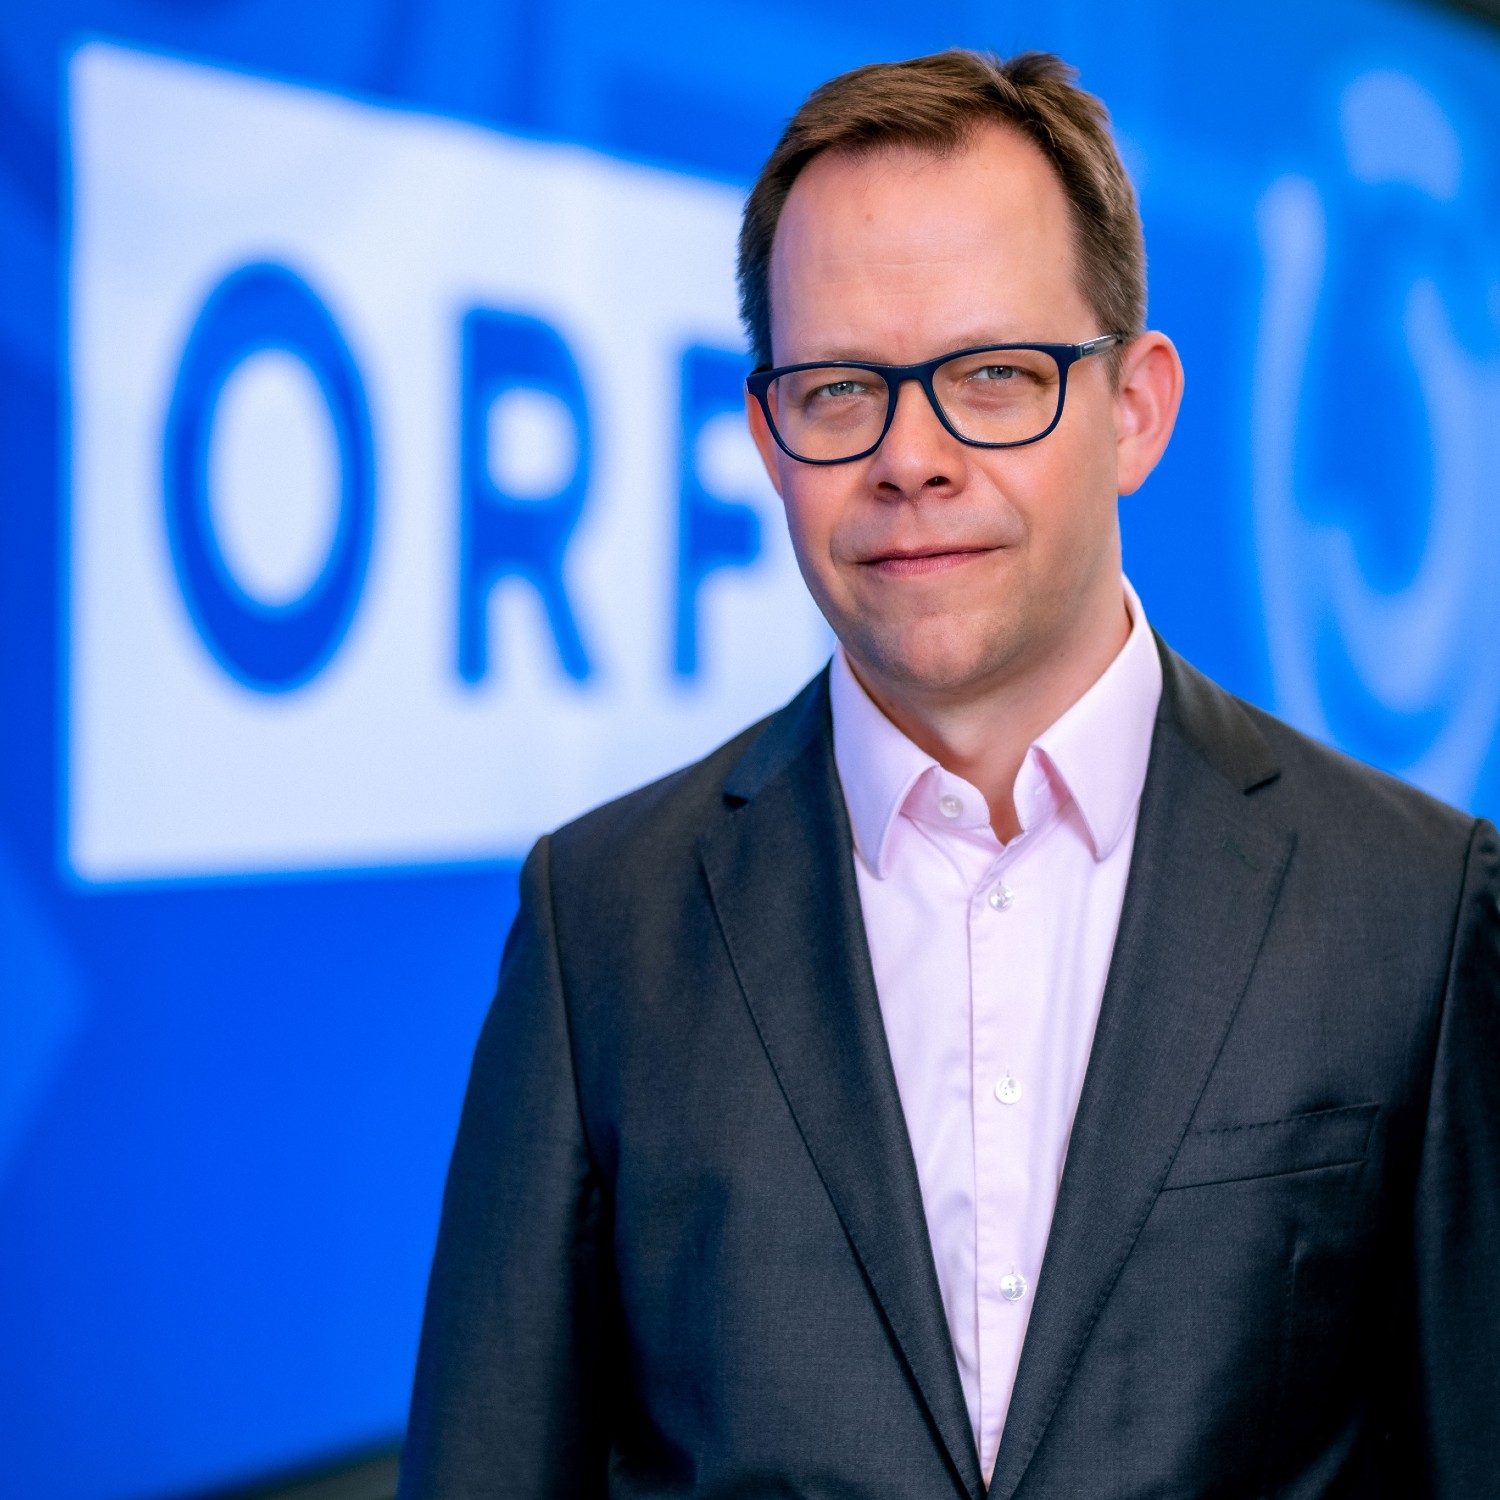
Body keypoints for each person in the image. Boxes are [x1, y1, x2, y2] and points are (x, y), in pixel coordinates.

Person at [398, 50, 1500, 1500]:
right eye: (839, 389)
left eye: (992, 377)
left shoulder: (1415, 908)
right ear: (766, 440)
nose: (909, 458)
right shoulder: (598, 925)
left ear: (1135, 409)